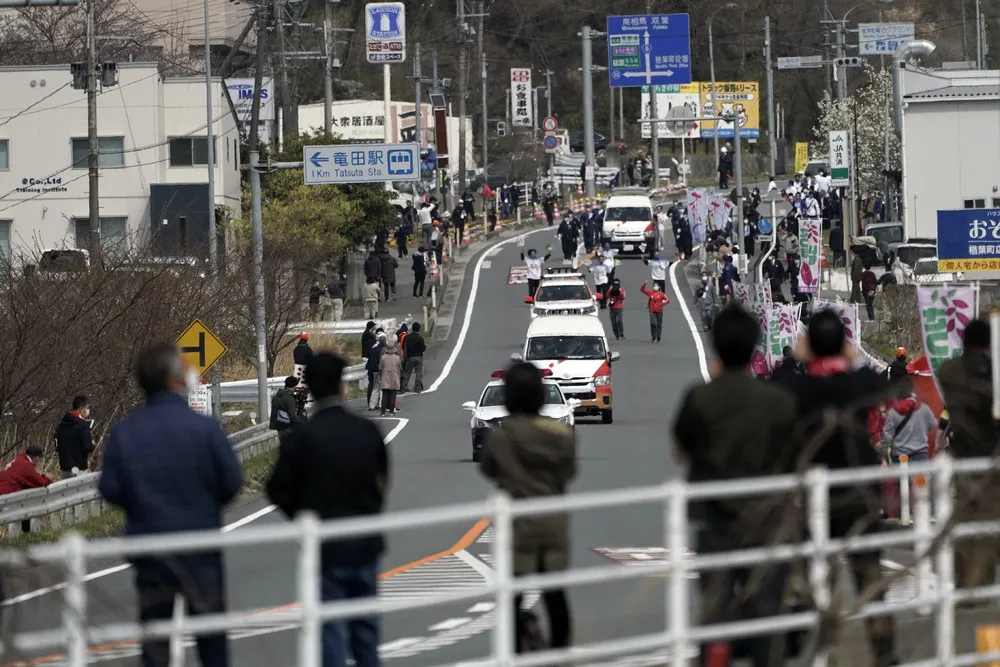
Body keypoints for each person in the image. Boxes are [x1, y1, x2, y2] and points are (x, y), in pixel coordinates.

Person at [99, 342, 242, 667]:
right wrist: (204, 504)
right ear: (174, 380)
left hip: (150, 548)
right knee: (211, 640)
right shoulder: (204, 428)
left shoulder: (126, 431)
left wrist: (141, 505)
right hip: (200, 546)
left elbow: (109, 488)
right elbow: (231, 482)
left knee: (156, 640)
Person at [673, 306, 799, 667]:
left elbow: (680, 449)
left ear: (714, 345)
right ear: (753, 346)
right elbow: (794, 454)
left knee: (715, 613)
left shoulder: (700, 398)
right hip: (768, 520)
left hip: (716, 519)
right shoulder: (778, 401)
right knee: (767, 610)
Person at [772, 310, 897, 666]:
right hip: (860, 494)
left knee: (807, 575)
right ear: (843, 344)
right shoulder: (858, 385)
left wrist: (791, 360)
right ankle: (885, 653)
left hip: (815, 496)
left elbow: (777, 384)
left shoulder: (799, 387)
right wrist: (854, 360)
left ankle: (797, 644)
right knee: (870, 579)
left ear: (809, 346)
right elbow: (882, 386)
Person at [266, 353, 390, 667]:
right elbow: (382, 481)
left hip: (323, 544)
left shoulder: (302, 438)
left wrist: (301, 515)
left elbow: (276, 489)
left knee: (329, 627)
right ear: (341, 385)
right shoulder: (367, 431)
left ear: (310, 390)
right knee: (365, 628)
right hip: (364, 540)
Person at [479, 362, 576, 654]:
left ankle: (513, 653)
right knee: (554, 591)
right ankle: (560, 650)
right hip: (552, 519)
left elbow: (489, 470)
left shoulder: (501, 436)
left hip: (518, 521)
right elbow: (568, 473)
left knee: (514, 593)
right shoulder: (561, 435)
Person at [936, 319, 999, 592]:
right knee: (989, 519)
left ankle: (967, 584)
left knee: (965, 520)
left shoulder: (949, 371)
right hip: (992, 456)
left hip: (962, 456)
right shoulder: (993, 373)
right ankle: (980, 582)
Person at [55, 395, 93, 479]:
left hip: (64, 468)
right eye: (87, 408)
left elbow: (57, 446)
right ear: (81, 409)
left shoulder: (61, 425)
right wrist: (91, 443)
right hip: (79, 468)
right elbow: (87, 447)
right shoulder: (83, 425)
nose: (87, 410)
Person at [378, 341, 402, 417]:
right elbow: (399, 367)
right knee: (392, 395)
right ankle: (391, 411)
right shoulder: (397, 358)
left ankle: (383, 412)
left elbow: (380, 368)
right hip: (394, 378)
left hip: (385, 377)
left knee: (385, 395)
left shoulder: (383, 357)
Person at [402, 322, 426, 393]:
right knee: (418, 373)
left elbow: (404, 346)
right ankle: (417, 388)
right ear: (419, 329)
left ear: (412, 328)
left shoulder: (408, 337)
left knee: (407, 373)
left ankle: (404, 387)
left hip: (410, 357)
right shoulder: (420, 338)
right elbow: (423, 348)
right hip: (419, 357)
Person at [365, 331, 386, 410]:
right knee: (383, 388)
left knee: (375, 388)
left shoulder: (373, 349)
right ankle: (381, 404)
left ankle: (372, 405)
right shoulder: (383, 350)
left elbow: (369, 361)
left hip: (373, 371)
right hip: (381, 371)